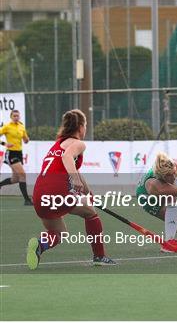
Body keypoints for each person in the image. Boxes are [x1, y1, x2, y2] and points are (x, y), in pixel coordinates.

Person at [26, 110, 116, 270]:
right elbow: (67, 158)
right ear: (81, 127)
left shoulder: (58, 143)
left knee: (59, 232)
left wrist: (88, 193)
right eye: (85, 125)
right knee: (91, 213)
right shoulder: (78, 143)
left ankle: (40, 245)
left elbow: (73, 168)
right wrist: (74, 180)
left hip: (39, 196)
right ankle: (100, 256)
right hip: (56, 192)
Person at [0, 110, 33, 205]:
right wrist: (5, 143)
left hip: (19, 153)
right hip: (11, 154)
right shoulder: (7, 126)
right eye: (14, 116)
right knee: (23, 175)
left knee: (16, 179)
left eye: (17, 116)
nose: (16, 117)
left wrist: (26, 139)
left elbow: (25, 139)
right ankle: (27, 200)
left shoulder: (21, 126)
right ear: (11, 117)